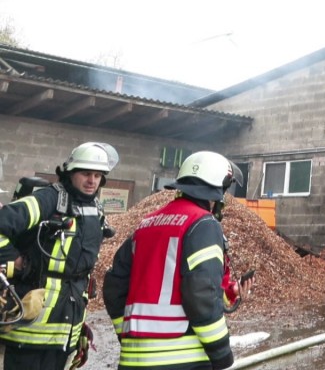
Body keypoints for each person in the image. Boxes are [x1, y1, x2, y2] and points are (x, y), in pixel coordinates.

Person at [103, 151, 239, 370]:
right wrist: (221, 352)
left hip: (131, 360)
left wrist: (126, 334)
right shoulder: (203, 224)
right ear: (217, 192)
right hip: (182, 360)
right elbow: (200, 292)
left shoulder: (146, 224)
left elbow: (113, 287)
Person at [0, 142, 118, 370]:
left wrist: (79, 325)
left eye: (97, 175)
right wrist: (15, 261)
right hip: (30, 331)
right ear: (71, 173)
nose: (92, 180)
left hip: (65, 331)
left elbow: (81, 274)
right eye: (85, 173)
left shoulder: (96, 209)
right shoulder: (48, 200)